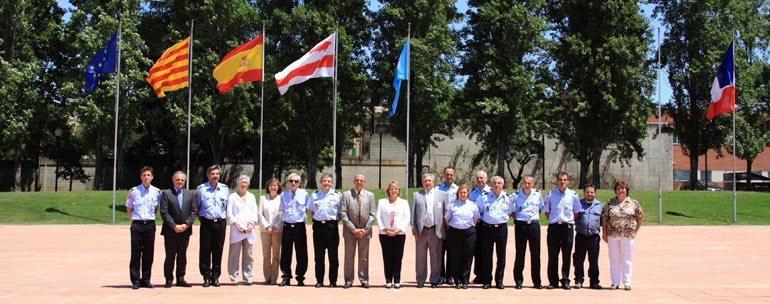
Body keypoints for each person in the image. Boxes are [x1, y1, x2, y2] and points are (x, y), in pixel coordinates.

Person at [602, 180, 644, 291]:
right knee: (614, 259)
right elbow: (605, 218)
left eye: (623, 188)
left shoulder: (633, 203)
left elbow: (640, 217)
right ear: (615, 190)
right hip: (613, 235)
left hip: (628, 235)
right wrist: (604, 233)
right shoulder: (610, 202)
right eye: (619, 188)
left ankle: (627, 282)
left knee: (626, 259)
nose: (621, 190)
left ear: (627, 190)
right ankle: (615, 282)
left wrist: (635, 230)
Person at [544, 172, 582, 290]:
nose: (562, 182)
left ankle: (565, 280)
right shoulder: (550, 195)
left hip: (567, 227)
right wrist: (555, 220)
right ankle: (553, 281)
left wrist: (568, 221)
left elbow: (576, 211)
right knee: (553, 255)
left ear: (568, 181)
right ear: (557, 181)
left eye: (565, 180)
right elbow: (547, 211)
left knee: (566, 255)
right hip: (554, 227)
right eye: (560, 179)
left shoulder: (573, 195)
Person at [126, 166, 161, 289]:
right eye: (144, 175)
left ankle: (146, 279)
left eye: (148, 175)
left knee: (148, 253)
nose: (146, 177)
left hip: (150, 225)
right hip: (137, 225)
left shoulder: (156, 192)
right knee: (135, 254)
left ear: (152, 177)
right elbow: (129, 208)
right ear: (141, 177)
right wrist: (135, 220)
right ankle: (135, 280)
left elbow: (156, 208)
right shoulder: (134, 191)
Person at [159, 171, 197, 288]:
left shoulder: (190, 194)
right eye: (177, 180)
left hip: (185, 231)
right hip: (171, 231)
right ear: (173, 181)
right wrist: (174, 225)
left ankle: (180, 278)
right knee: (170, 256)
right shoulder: (167, 194)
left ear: (184, 181)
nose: (180, 182)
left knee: (182, 255)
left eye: (182, 180)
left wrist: (186, 224)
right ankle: (168, 279)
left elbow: (193, 211)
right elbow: (164, 212)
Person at [195, 165, 230, 287]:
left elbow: (227, 206)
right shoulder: (201, 189)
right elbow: (197, 208)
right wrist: (204, 220)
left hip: (220, 223)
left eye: (217, 174)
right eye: (212, 174)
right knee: (205, 250)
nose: (215, 176)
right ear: (208, 175)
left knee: (218, 250)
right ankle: (206, 276)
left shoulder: (225, 189)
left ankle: (215, 276)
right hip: (207, 223)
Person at [410, 173, 447, 288]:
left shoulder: (442, 195)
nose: (427, 183)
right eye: (425, 181)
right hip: (422, 231)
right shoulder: (416, 195)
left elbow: (446, 214)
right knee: (420, 257)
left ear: (433, 182)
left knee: (435, 257)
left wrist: (445, 231)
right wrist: (414, 231)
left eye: (429, 181)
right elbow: (413, 215)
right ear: (422, 182)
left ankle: (434, 280)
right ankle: (420, 279)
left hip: (436, 230)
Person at [477, 176, 513, 289]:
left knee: (501, 256)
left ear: (502, 185)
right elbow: (479, 212)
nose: (496, 185)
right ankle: (487, 281)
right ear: (491, 185)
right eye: (495, 183)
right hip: (487, 228)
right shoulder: (484, 197)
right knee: (487, 255)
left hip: (501, 229)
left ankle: (499, 281)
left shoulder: (507, 197)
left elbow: (511, 211)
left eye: (499, 183)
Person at [340, 174, 376, 288]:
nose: (359, 182)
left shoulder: (370, 195)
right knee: (349, 256)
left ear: (364, 182)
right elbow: (343, 213)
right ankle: (348, 280)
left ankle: (364, 279)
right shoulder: (346, 195)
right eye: (357, 180)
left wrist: (365, 229)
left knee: (364, 257)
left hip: (365, 232)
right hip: (350, 232)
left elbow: (372, 214)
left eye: (361, 180)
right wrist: (354, 229)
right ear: (353, 182)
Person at [444, 185, 481, 289]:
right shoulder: (452, 205)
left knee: (468, 256)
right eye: (461, 193)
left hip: (469, 233)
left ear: (468, 194)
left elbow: (476, 219)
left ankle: (465, 280)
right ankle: (457, 280)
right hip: (455, 232)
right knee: (455, 256)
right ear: (457, 194)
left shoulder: (472, 205)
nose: (463, 195)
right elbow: (447, 219)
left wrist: (467, 227)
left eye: (465, 193)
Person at [375, 181, 411, 289]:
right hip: (384, 234)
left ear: (399, 191)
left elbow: (407, 218)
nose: (393, 190)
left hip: (399, 234)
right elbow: (378, 217)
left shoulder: (404, 203)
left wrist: (398, 230)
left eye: (396, 188)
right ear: (388, 190)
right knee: (387, 257)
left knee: (398, 257)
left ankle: (397, 279)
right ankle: (388, 279)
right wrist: (385, 230)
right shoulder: (382, 202)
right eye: (392, 188)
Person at [309, 173, 342, 287]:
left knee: (333, 256)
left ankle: (333, 281)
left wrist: (331, 222)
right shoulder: (314, 195)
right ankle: (319, 280)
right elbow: (310, 211)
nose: (326, 183)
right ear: (320, 182)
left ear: (332, 183)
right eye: (324, 181)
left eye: (329, 181)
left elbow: (341, 213)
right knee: (319, 256)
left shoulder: (337, 196)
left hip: (331, 227)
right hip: (318, 227)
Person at [512, 176, 544, 289]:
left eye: (529, 183)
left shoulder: (537, 194)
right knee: (520, 253)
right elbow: (512, 211)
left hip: (534, 225)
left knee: (535, 254)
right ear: (522, 183)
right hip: (521, 226)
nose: (526, 185)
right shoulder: (516, 195)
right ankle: (518, 280)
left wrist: (532, 219)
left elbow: (540, 209)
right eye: (525, 183)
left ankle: (537, 281)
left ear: (532, 184)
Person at [278, 173, 311, 286]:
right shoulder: (283, 194)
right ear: (288, 182)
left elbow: (308, 209)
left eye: (296, 181)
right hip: (287, 226)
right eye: (291, 181)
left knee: (301, 252)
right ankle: (286, 276)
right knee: (286, 252)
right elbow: (281, 210)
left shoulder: (304, 194)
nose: (293, 183)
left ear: (299, 183)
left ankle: (300, 277)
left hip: (299, 226)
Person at [226, 175, 259, 284]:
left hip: (249, 230)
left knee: (248, 254)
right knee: (234, 254)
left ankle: (248, 275)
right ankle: (233, 276)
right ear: (238, 183)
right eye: (242, 182)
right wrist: (236, 224)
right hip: (236, 229)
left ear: (248, 184)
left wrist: (251, 223)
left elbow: (255, 211)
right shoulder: (232, 197)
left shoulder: (251, 196)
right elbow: (229, 213)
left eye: (245, 182)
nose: (243, 184)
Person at [573, 184, 603, 289]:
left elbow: (603, 221)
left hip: (594, 237)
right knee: (578, 259)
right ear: (584, 193)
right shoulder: (578, 204)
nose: (589, 194)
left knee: (594, 260)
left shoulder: (599, 205)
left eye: (591, 192)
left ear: (595, 193)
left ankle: (594, 281)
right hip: (581, 236)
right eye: (587, 192)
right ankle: (578, 280)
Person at [258, 178, 283, 285]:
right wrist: (267, 226)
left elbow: (282, 214)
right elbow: (260, 214)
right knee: (266, 255)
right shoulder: (263, 198)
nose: (273, 187)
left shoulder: (281, 199)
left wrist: (276, 226)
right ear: (268, 187)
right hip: (265, 230)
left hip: (277, 230)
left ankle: (274, 278)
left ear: (278, 187)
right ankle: (267, 277)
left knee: (276, 255)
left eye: (275, 185)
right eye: (271, 185)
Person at [437, 166, 459, 285]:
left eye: (451, 174)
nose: (449, 177)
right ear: (443, 175)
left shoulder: (457, 189)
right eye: (447, 174)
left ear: (453, 175)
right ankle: (441, 275)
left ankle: (450, 275)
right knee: (440, 251)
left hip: (453, 224)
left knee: (452, 251)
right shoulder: (438, 189)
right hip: (440, 224)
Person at [469, 170, 490, 284]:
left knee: (486, 250)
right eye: (478, 178)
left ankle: (485, 274)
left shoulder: (491, 192)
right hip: (474, 224)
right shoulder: (472, 193)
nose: (480, 180)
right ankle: (478, 274)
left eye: (482, 178)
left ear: (486, 179)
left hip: (486, 224)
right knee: (476, 250)